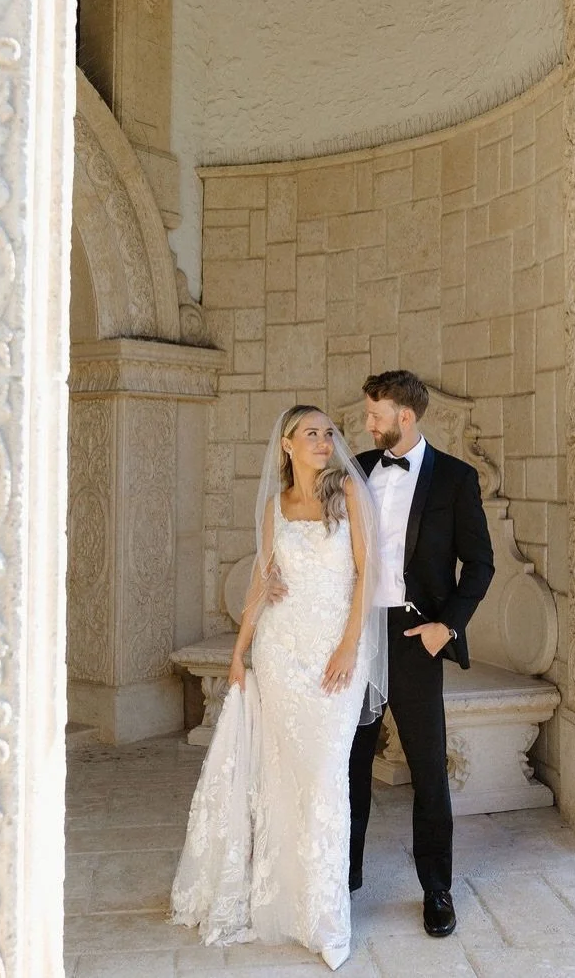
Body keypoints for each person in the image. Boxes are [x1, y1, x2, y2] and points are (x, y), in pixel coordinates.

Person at [171, 406, 386, 972]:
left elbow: (368, 575)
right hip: (279, 651)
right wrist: (239, 653)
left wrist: (347, 646)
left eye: (328, 432)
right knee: (281, 779)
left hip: (335, 654)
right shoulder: (274, 508)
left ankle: (326, 918)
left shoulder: (351, 498)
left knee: (323, 778)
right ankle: (285, 905)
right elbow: (261, 584)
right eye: (311, 433)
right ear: (287, 445)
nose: (324, 440)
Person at [348, 370, 494, 939]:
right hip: (358, 636)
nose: (367, 424)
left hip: (415, 638)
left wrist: (447, 628)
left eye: (375, 415)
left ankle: (437, 889)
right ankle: (345, 876)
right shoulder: (356, 468)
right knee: (350, 764)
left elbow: (480, 564)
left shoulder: (456, 479)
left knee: (428, 767)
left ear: (404, 418)